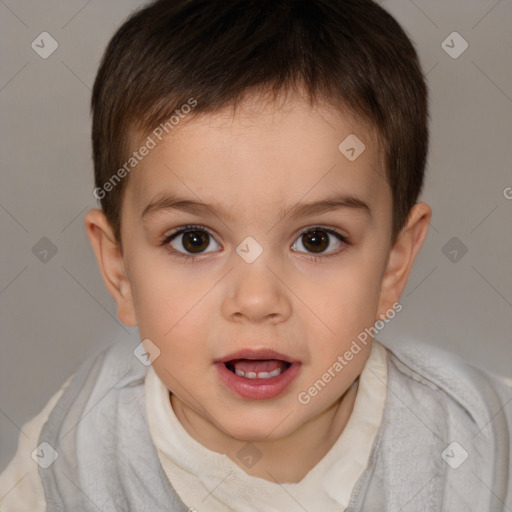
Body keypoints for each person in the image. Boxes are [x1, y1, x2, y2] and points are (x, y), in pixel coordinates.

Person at [1, 0, 511, 510]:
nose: (257, 299)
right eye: (194, 240)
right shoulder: (70, 457)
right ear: (120, 272)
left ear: (393, 264)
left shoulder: (483, 446)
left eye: (317, 240)